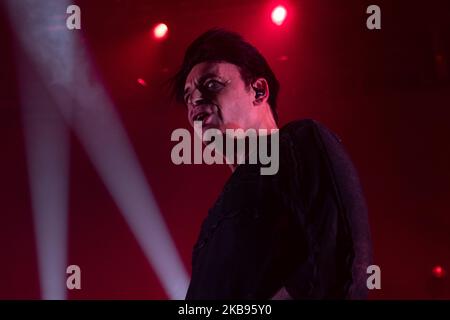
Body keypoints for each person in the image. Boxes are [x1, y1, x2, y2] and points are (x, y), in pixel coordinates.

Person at [172, 28, 372, 299]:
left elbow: (340, 266)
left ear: (258, 90)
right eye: (187, 96)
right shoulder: (212, 221)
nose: (194, 102)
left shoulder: (300, 143)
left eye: (212, 84)